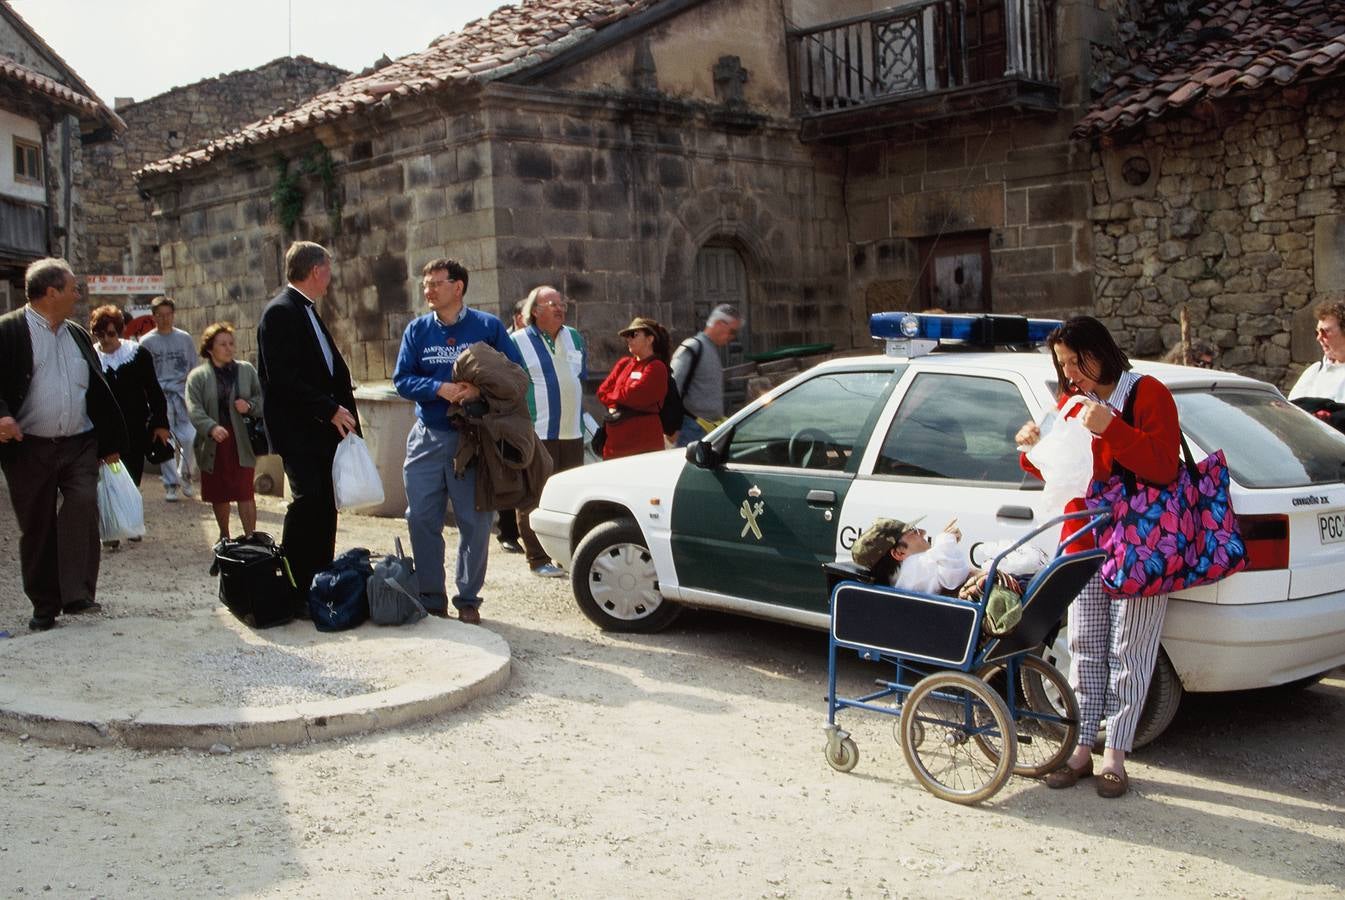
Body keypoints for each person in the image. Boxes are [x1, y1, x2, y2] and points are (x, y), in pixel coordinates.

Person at [1015, 315, 1180, 799]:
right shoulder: (1073, 401)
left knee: (1131, 651)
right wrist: (1030, 450)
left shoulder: (1147, 394)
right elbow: (1067, 469)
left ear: (1100, 351)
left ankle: (1116, 756)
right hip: (1085, 542)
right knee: (1085, 646)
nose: (1070, 375)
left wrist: (1113, 429)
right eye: (1063, 365)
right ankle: (1082, 748)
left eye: (1076, 362)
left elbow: (1163, 468)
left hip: (1143, 545)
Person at [393, 258, 523, 624]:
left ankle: (468, 599)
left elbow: (515, 376)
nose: (429, 291)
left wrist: (477, 389)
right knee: (421, 518)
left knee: (476, 521)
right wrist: (439, 388)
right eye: (426, 285)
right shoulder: (417, 331)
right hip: (428, 438)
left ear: (458, 287)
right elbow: (402, 380)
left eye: (436, 283)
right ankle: (432, 597)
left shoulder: (487, 327)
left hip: (473, 439)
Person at [0, 258, 127, 631]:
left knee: (83, 504)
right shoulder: (8, 332)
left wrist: (109, 440)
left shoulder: (76, 333)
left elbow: (97, 390)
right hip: (30, 446)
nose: (78, 294)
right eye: (73, 287)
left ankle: (77, 594)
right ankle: (45, 604)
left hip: (79, 443)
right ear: (51, 292)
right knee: (37, 525)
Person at [257, 241, 359, 604]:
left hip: (321, 431)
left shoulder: (307, 311)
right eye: (328, 270)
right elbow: (282, 377)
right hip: (300, 430)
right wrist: (328, 408)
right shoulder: (281, 312)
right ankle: (294, 585)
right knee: (307, 503)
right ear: (317, 270)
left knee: (324, 505)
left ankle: (319, 582)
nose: (330, 279)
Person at [512, 285, 587, 577]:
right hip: (537, 431)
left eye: (562, 302)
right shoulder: (517, 342)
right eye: (552, 303)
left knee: (570, 496)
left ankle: (565, 554)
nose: (560, 307)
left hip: (572, 432)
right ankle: (538, 558)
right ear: (535, 311)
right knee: (535, 495)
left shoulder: (576, 338)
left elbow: (578, 378)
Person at [186, 322, 264, 542]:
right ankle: (224, 536)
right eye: (222, 344)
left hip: (241, 441)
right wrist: (210, 427)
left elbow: (262, 398)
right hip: (214, 443)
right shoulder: (198, 377)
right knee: (219, 492)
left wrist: (249, 406)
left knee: (244, 491)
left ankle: (251, 538)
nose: (229, 348)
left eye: (231, 343)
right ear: (210, 348)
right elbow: (194, 407)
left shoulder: (247, 370)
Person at [90, 305, 171, 490]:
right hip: (103, 433)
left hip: (133, 431)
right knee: (106, 487)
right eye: (99, 334)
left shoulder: (138, 354)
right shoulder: (91, 359)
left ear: (119, 331)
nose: (105, 339)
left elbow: (153, 390)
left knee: (131, 483)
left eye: (110, 333)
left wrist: (160, 424)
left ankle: (130, 519)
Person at [139, 296, 200, 502]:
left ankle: (186, 475)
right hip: (160, 396)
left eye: (168, 315)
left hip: (182, 394)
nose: (165, 319)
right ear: (154, 317)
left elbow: (193, 366)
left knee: (190, 436)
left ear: (173, 315)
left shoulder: (184, 338)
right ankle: (170, 483)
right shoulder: (146, 342)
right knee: (165, 439)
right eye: (160, 315)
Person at [597, 317, 670, 459]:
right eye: (627, 336)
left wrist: (614, 399)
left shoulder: (656, 367)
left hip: (642, 445)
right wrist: (618, 399)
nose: (628, 339)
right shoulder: (624, 363)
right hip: (614, 446)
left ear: (650, 339)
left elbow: (635, 395)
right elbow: (602, 392)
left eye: (634, 335)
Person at [670, 304, 741, 446]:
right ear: (719, 324)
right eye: (732, 331)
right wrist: (672, 427)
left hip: (707, 429)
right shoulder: (693, 347)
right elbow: (672, 388)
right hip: (690, 429)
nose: (733, 337)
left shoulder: (710, 349)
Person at [495, 296, 529, 555]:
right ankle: (507, 532)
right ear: (519, 319)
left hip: (535, 418)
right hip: (507, 418)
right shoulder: (502, 344)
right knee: (509, 474)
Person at [1288, 299, 1345, 403]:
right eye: (1318, 332)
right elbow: (1292, 410)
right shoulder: (1314, 372)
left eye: (1325, 332)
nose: (1319, 338)